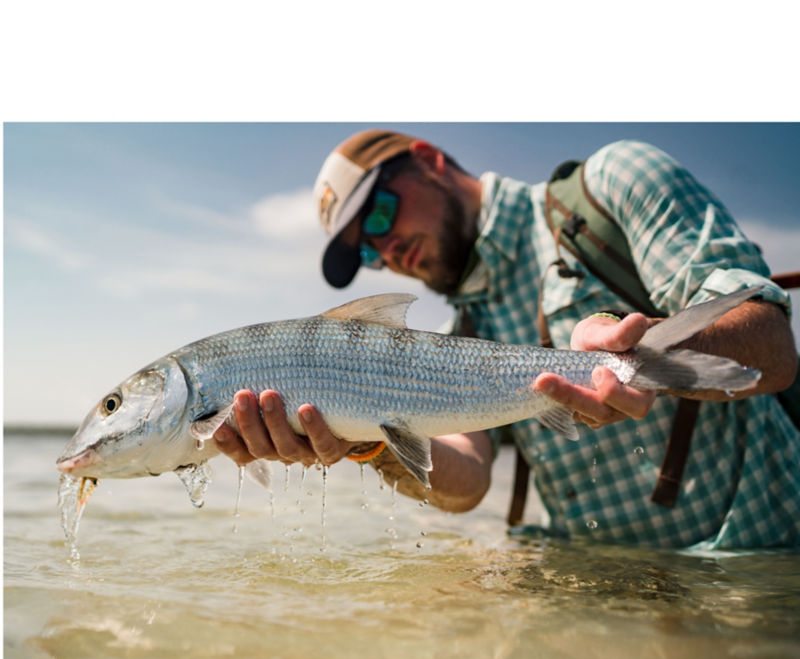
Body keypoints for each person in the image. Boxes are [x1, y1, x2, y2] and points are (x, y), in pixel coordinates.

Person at [213, 129, 800, 548]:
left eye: (382, 214)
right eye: (369, 251)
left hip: (754, 571)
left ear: (429, 160)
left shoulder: (614, 183)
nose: (387, 251)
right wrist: (367, 443)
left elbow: (774, 347)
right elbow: (467, 483)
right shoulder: (460, 335)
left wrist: (639, 358)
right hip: (604, 594)